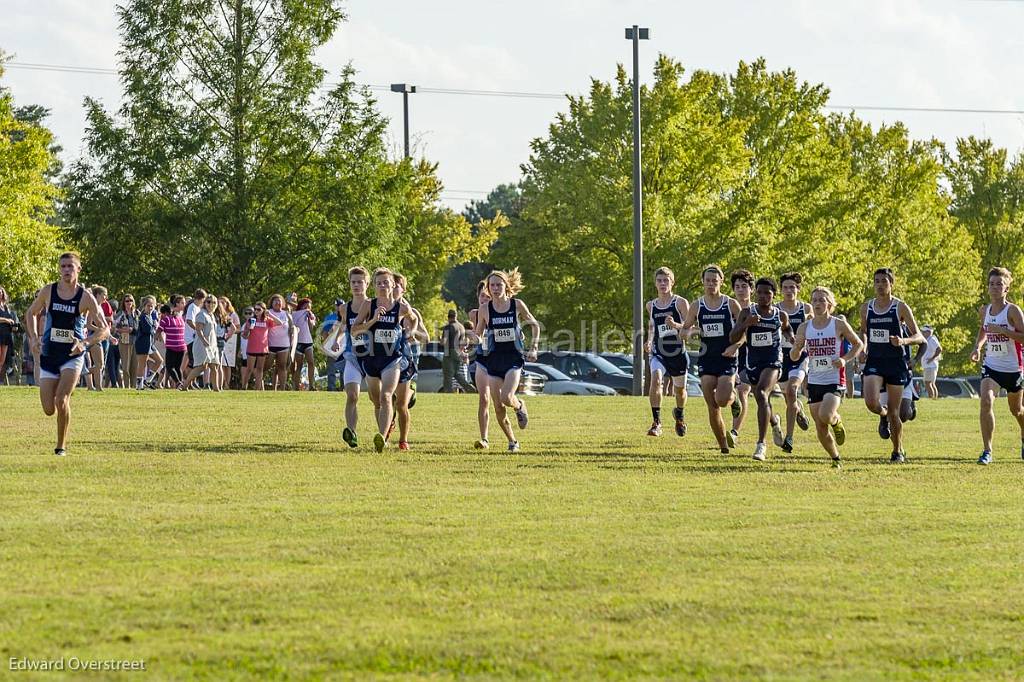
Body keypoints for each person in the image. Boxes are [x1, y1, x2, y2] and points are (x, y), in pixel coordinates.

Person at [24, 252, 109, 456]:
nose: (66, 270)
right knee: (48, 408)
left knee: (61, 400)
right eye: (63, 267)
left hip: (72, 355)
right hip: (49, 354)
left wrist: (85, 343)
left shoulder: (86, 297)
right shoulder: (49, 291)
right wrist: (34, 337)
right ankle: (60, 395)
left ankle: (60, 446)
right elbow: (31, 313)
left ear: (78, 269)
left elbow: (104, 329)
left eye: (70, 266)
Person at [789, 287, 864, 467]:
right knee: (820, 427)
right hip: (815, 381)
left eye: (822, 300)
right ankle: (835, 458)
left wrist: (844, 360)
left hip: (834, 379)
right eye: (814, 300)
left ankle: (836, 421)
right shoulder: (805, 327)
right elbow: (793, 357)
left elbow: (858, 344)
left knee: (826, 414)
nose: (817, 303)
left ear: (829, 304)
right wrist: (797, 348)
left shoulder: (838, 324)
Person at [674, 265, 744, 453]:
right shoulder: (697, 305)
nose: (711, 283)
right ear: (703, 282)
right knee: (712, 405)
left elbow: (744, 330)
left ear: (721, 282)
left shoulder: (730, 304)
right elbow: (685, 329)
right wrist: (686, 333)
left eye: (715, 280)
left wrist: (735, 345)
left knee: (721, 400)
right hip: (707, 358)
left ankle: (733, 398)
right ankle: (723, 446)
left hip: (727, 358)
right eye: (708, 280)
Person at [859, 267, 925, 463]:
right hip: (875, 362)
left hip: (896, 363)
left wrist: (903, 342)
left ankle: (898, 450)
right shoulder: (866, 308)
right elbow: (864, 331)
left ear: (891, 284)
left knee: (897, 414)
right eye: (877, 281)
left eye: (884, 281)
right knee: (871, 402)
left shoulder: (900, 307)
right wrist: (863, 347)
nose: (880, 285)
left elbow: (919, 336)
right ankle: (883, 413)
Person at [349, 268, 419, 452]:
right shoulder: (368, 305)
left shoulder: (401, 307)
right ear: (373, 286)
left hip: (392, 359)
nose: (382, 286)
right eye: (378, 283)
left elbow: (413, 319)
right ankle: (386, 430)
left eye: (385, 282)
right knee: (376, 400)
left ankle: (382, 437)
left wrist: (410, 332)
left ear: (392, 285)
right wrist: (373, 320)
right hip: (371, 359)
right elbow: (354, 330)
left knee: (387, 396)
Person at [472, 269, 540, 452]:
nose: (495, 288)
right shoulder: (485, 309)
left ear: (506, 286)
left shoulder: (516, 305)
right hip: (493, 359)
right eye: (492, 285)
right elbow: (478, 334)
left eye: (498, 285)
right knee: (498, 406)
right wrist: (468, 340)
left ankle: (519, 406)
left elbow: (534, 325)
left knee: (506, 396)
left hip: (513, 358)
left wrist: (533, 347)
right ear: (488, 287)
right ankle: (512, 442)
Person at [731, 277, 791, 461]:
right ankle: (775, 422)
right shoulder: (747, 312)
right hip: (753, 363)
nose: (764, 296)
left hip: (773, 361)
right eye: (760, 292)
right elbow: (733, 338)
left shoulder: (780, 315)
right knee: (760, 399)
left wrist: (794, 340)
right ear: (755, 293)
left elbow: (788, 329)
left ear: (774, 295)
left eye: (768, 293)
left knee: (763, 394)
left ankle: (761, 445)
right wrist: (746, 323)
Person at [970, 267, 1024, 465]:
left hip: (1013, 369)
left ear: (1006, 288)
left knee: (1017, 410)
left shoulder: (1013, 311)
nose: (994, 287)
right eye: (991, 284)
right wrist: (977, 347)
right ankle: (987, 451)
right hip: (991, 366)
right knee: (986, 402)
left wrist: (1003, 330)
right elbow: (983, 331)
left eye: (999, 284)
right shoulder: (984, 310)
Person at [644, 266, 690, 438]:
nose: (663, 284)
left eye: (666, 280)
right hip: (659, 352)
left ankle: (680, 414)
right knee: (656, 379)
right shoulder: (651, 305)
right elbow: (652, 325)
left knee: (679, 392)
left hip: (677, 353)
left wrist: (676, 326)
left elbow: (689, 328)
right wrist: (648, 340)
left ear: (672, 282)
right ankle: (656, 423)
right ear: (655, 283)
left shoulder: (680, 303)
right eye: (659, 281)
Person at [334, 267, 370, 448]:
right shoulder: (344, 308)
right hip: (352, 356)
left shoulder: (373, 305)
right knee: (352, 395)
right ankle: (352, 432)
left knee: (377, 398)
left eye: (360, 282)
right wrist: (337, 340)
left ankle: (384, 435)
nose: (356, 285)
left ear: (367, 284)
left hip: (372, 357)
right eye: (353, 282)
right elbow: (343, 326)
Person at [776, 273, 812, 452]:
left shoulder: (806, 309)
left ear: (798, 289)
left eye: (792, 287)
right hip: (780, 356)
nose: (789, 291)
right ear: (781, 290)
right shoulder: (775, 309)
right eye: (785, 287)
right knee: (788, 397)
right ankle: (798, 410)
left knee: (792, 389)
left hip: (799, 356)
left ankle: (789, 438)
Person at [468, 281, 495, 448]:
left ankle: (518, 405)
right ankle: (484, 438)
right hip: (482, 359)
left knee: (501, 401)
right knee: (484, 399)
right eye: (482, 296)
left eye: (488, 296)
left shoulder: (498, 312)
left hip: (500, 358)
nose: (484, 299)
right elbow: (476, 337)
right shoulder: (474, 314)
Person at [729, 269, 755, 443]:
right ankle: (775, 422)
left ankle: (734, 433)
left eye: (744, 286)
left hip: (752, 356)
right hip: (729, 357)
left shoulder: (756, 309)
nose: (740, 290)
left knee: (742, 391)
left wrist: (738, 344)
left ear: (751, 289)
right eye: (737, 286)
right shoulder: (728, 308)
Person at [181, 293, 221, 391]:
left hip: (212, 345)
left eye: (214, 302)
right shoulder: (201, 314)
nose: (211, 304)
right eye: (208, 302)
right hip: (202, 345)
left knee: (214, 366)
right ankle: (185, 385)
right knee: (201, 367)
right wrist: (204, 341)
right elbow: (199, 330)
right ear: (204, 303)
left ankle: (216, 388)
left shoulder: (211, 315)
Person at [240, 301, 280, 390]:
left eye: (259, 309)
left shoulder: (267, 320)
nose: (256, 311)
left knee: (260, 369)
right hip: (252, 348)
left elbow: (280, 323)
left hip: (263, 348)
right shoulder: (250, 320)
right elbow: (245, 336)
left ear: (263, 310)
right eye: (255, 309)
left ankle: (257, 389)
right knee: (249, 369)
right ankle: (244, 387)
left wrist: (270, 314)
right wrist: (249, 329)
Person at [158, 296, 188, 388]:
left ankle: (179, 383)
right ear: (177, 304)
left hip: (178, 346)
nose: (184, 304)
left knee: (174, 367)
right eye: (182, 303)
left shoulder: (181, 317)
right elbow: (159, 330)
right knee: (173, 367)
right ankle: (180, 383)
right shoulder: (169, 318)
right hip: (175, 346)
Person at [265, 294, 293, 390]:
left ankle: (282, 388)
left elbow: (291, 329)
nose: (277, 302)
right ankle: (262, 388)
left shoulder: (286, 314)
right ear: (271, 303)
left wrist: (292, 343)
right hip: (270, 345)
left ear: (283, 303)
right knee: (266, 366)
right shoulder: (267, 313)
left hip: (284, 345)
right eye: (275, 301)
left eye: (279, 301)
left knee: (282, 367)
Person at [134, 296, 162, 389]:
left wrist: (155, 324)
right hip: (143, 343)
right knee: (142, 364)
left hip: (150, 344)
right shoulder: (143, 317)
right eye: (148, 306)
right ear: (144, 306)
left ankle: (148, 380)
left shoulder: (150, 316)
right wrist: (154, 325)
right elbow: (148, 330)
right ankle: (139, 385)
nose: (150, 308)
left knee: (159, 360)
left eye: (152, 306)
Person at [87, 285, 112, 390]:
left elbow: (105, 326)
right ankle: (78, 371)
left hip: (100, 337)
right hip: (92, 337)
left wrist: (110, 336)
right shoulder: (91, 307)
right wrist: (99, 331)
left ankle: (98, 387)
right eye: (103, 295)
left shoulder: (100, 308)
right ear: (97, 295)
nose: (105, 298)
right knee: (99, 364)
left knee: (99, 365)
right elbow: (88, 325)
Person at [290, 298, 318, 391]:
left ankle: (311, 385)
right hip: (299, 342)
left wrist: (310, 319)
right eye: (305, 306)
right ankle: (296, 387)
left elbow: (311, 328)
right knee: (299, 365)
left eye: (309, 307)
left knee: (311, 362)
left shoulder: (310, 315)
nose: (307, 308)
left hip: (308, 341)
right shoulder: (295, 314)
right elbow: (293, 326)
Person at [441, 310, 472, 393]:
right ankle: (470, 388)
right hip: (459, 352)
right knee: (456, 373)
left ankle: (448, 391)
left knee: (447, 374)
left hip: (449, 351)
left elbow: (444, 341)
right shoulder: (461, 327)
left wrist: (440, 340)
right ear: (456, 316)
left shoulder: (448, 327)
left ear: (448, 317)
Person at [114, 294, 140, 389]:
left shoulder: (137, 313)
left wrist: (132, 329)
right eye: (127, 301)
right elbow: (114, 327)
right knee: (125, 367)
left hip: (136, 342)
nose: (129, 302)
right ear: (123, 303)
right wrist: (124, 330)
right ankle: (126, 386)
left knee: (134, 367)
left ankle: (133, 387)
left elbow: (140, 327)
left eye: (131, 300)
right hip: (124, 342)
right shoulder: (120, 314)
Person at [321, 299, 346, 392]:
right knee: (331, 368)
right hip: (332, 346)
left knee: (344, 368)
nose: (339, 307)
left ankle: (344, 388)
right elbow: (324, 333)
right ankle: (331, 388)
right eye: (338, 305)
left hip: (344, 347)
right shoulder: (330, 318)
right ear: (335, 306)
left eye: (341, 305)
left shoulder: (347, 316)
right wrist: (327, 344)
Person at [217, 296, 240, 390]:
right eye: (220, 302)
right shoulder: (218, 314)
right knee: (220, 363)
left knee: (228, 364)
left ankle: (227, 384)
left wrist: (229, 333)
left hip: (230, 340)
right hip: (221, 338)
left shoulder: (232, 314)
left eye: (224, 302)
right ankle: (219, 383)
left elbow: (238, 328)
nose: (222, 304)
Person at [0, 285, 20, 385]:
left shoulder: (7, 307)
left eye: (1, 292)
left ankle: (0, 381)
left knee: (3, 361)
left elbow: (11, 320)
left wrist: (13, 326)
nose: (0, 294)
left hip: (7, 335)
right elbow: (5, 319)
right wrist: (6, 320)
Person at [920, 325, 942, 399]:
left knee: (928, 383)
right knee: (931, 383)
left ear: (929, 332)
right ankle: (934, 398)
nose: (922, 333)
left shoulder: (932, 339)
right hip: (929, 365)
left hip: (930, 365)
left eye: (924, 331)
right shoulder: (928, 339)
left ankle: (931, 398)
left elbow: (939, 349)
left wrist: (932, 359)